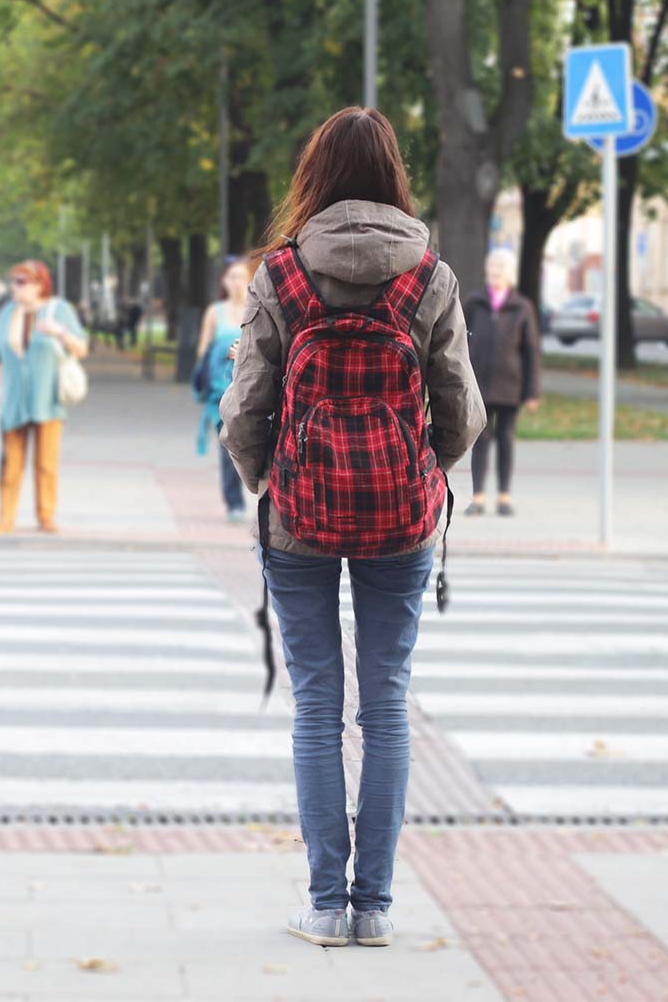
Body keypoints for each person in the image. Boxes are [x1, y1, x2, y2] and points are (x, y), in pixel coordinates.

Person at [219, 107, 485, 948]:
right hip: (403, 521)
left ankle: (323, 908)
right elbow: (464, 412)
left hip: (298, 519)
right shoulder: (429, 275)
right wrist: (420, 473)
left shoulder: (282, 274)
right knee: (387, 709)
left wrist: (272, 480)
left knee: (315, 710)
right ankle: (374, 909)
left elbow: (243, 412)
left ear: (316, 175)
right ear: (393, 173)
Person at [0, 260, 88, 535]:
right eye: (14, 281)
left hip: (48, 398)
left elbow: (81, 349)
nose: (16, 287)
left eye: (22, 282)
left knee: (46, 463)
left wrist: (59, 332)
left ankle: (46, 516)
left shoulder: (59, 310)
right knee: (10, 463)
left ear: (39, 285)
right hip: (13, 399)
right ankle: (5, 519)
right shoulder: (8, 312)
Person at [462, 247, 541, 517]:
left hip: (510, 386)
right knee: (481, 441)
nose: (494, 274)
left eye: (500, 270)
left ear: (510, 275)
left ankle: (504, 496)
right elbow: (459, 339)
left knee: (506, 439)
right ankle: (478, 497)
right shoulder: (474, 301)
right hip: (479, 385)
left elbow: (531, 351)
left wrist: (532, 392)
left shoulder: (522, 307)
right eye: (492, 269)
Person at [195, 257, 250, 522]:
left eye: (241, 276)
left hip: (250, 390)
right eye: (232, 276)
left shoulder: (257, 309)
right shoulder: (214, 312)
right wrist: (222, 356)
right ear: (224, 281)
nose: (236, 282)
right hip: (221, 393)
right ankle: (234, 502)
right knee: (228, 447)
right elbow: (202, 353)